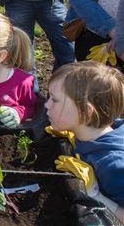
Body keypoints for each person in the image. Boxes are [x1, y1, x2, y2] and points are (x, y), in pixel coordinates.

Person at [46, 61, 124, 223]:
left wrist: (94, 193)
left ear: (86, 112)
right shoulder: (96, 133)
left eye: (55, 100)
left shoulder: (113, 165)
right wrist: (73, 135)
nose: (47, 104)